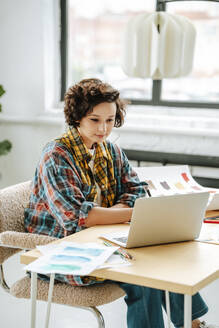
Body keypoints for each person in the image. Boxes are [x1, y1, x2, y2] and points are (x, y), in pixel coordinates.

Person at [24, 78, 217, 328]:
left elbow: (136, 189)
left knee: (164, 259)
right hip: (61, 251)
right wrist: (125, 214)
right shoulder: (56, 156)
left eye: (109, 120)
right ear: (76, 116)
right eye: (95, 120)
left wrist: (112, 211)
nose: (103, 128)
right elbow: (77, 217)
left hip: (102, 238)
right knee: (143, 275)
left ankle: (192, 324)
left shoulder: (111, 151)